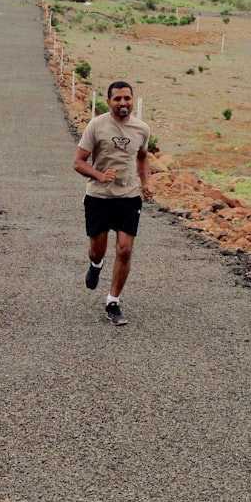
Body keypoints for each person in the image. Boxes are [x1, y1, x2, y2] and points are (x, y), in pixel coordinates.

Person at [73, 81, 153, 326]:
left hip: (128, 197)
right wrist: (99, 175)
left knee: (125, 249)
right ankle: (96, 264)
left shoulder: (141, 129)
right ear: (108, 102)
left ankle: (113, 301)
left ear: (132, 100)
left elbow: (142, 157)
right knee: (98, 248)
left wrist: (146, 182)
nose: (123, 103)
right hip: (98, 197)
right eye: (117, 99)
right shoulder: (96, 126)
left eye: (127, 98)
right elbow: (78, 162)